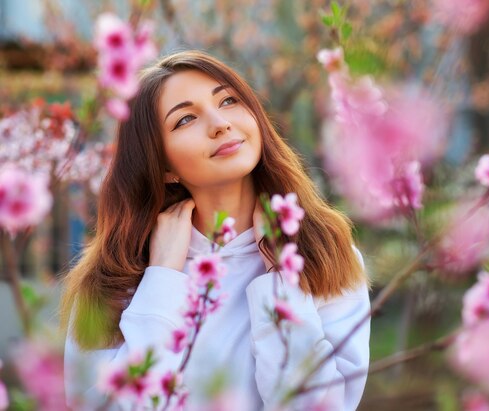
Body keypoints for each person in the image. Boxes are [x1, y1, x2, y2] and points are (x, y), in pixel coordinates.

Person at [60, 50, 371, 410]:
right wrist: (161, 279)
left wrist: (279, 281)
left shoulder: (323, 253)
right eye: (186, 119)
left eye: (228, 100)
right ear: (160, 164)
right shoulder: (112, 282)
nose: (220, 123)